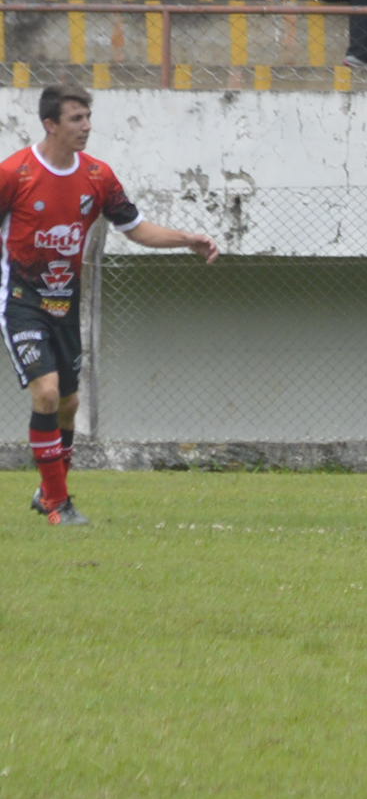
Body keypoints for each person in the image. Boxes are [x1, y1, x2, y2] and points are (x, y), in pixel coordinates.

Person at [2, 85, 220, 524]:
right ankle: (58, 505)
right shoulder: (14, 174)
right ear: (51, 124)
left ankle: (48, 490)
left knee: (68, 404)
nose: (87, 127)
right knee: (44, 392)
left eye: (87, 117)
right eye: (76, 119)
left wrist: (187, 240)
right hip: (21, 301)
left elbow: (135, 228)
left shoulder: (98, 176)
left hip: (66, 304)